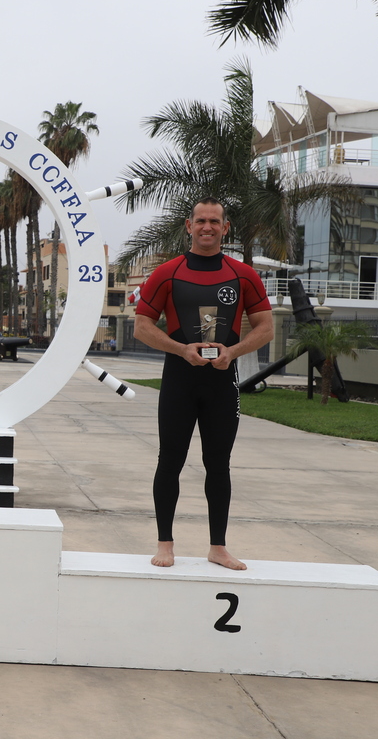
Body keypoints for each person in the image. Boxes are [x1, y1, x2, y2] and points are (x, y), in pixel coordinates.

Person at [132, 199, 274, 570]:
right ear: (188, 226)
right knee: (170, 461)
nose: (207, 226)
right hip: (180, 379)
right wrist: (182, 349)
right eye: (201, 221)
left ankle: (218, 547)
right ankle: (165, 544)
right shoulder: (167, 273)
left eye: (214, 221)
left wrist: (234, 351)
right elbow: (142, 326)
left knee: (219, 464)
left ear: (226, 228)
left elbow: (266, 328)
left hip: (222, 382)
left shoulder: (244, 275)